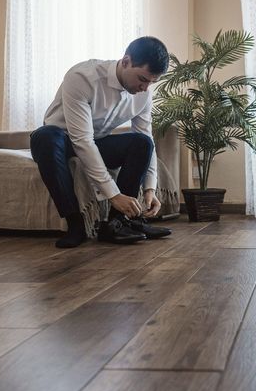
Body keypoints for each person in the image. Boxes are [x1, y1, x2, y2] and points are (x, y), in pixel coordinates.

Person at [30, 36, 172, 248]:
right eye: (143, 79)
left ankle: (118, 223)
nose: (145, 88)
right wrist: (113, 194)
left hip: (96, 140)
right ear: (125, 62)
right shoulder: (81, 77)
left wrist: (150, 189)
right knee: (46, 136)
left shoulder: (144, 94)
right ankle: (75, 224)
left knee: (142, 142)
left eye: (152, 82)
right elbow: (82, 140)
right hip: (59, 141)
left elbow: (147, 138)